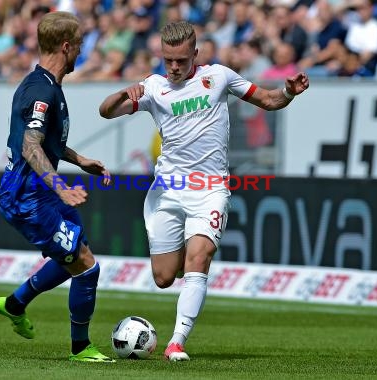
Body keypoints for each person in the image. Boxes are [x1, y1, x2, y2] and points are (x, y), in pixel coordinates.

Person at [99, 21, 309, 361]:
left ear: (195, 54)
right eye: (168, 60)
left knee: (199, 258)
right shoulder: (153, 87)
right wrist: (126, 92)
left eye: (181, 60)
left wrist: (286, 92)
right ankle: (189, 258)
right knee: (165, 277)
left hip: (210, 189)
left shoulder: (219, 77)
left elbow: (269, 100)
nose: (175, 67)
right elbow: (106, 112)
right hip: (168, 189)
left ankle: (176, 342)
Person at [0, 11, 114, 363]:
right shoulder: (41, 90)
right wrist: (62, 188)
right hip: (27, 197)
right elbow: (31, 147)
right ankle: (80, 348)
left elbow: (43, 142)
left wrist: (79, 160)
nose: (81, 53)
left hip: (39, 191)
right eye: (78, 46)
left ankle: (15, 304)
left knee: (75, 251)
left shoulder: (46, 84)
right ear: (65, 46)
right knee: (87, 266)